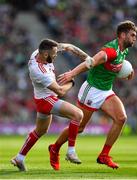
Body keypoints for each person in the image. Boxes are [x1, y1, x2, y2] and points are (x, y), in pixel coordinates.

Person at [56, 20, 137, 169]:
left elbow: (115, 66)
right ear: (122, 35)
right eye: (132, 35)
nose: (134, 38)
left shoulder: (124, 50)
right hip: (91, 90)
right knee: (79, 128)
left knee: (121, 118)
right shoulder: (110, 51)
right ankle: (54, 148)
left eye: (135, 35)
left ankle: (104, 156)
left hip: (106, 91)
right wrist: (72, 74)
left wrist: (127, 73)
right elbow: (91, 62)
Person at [10, 38, 94, 171]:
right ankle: (71, 151)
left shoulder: (41, 52)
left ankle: (19, 157)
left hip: (42, 98)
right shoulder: (38, 71)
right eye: (54, 54)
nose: (56, 55)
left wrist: (88, 58)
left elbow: (69, 47)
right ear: (44, 55)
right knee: (78, 114)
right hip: (46, 100)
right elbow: (60, 91)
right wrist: (71, 82)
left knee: (40, 131)